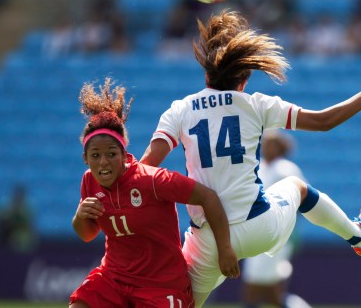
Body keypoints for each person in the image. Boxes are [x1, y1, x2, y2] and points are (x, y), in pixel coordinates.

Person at [140, 10, 361, 307]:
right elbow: (324, 121)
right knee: (297, 187)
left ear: (206, 74)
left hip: (208, 241)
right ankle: (358, 237)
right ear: (246, 77)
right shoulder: (256, 105)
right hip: (258, 227)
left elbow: (146, 167)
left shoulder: (180, 109)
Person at [69, 78, 239, 308]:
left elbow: (208, 197)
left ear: (123, 154)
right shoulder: (89, 180)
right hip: (114, 278)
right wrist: (79, 217)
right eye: (95, 156)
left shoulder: (152, 180)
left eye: (111, 153)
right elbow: (87, 234)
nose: (103, 162)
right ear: (85, 159)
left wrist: (225, 249)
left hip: (161, 285)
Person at [241, 130, 310, 308]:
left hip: (277, 235)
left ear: (280, 147)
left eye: (270, 143)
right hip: (256, 234)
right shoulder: (259, 167)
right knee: (263, 290)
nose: (265, 146)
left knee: (263, 288)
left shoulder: (286, 169)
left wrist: (289, 231)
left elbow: (302, 197)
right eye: (264, 143)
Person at [0, 183, 38, 253]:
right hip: (5, 231)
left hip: (22, 231)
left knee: (23, 238)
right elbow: (1, 219)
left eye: (20, 195)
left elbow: (28, 221)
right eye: (17, 195)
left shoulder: (29, 205)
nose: (18, 197)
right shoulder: (5, 204)